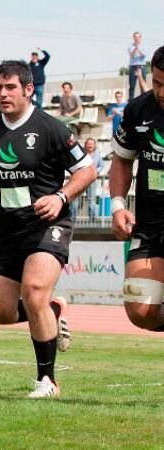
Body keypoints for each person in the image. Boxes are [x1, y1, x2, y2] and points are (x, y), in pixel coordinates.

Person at [0, 60, 97, 398]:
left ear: (28, 89)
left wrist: (61, 196)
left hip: (47, 225)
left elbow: (87, 170)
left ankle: (47, 381)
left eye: (9, 87)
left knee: (34, 291)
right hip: (6, 229)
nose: (2, 94)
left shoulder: (51, 128)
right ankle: (53, 311)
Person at [108, 45, 164, 334]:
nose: (162, 91)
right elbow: (120, 161)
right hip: (150, 224)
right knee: (140, 309)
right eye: (157, 83)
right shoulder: (138, 109)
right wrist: (117, 206)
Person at [69, 138, 104, 221]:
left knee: (91, 200)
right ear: (85, 145)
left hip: (91, 180)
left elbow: (101, 166)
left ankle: (93, 220)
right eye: (88, 144)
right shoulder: (80, 153)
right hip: (79, 180)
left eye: (92, 144)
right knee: (75, 200)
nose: (90, 145)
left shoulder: (97, 155)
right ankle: (72, 219)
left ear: (95, 145)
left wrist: (95, 172)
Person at [128, 32, 147, 99]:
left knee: (142, 84)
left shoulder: (144, 46)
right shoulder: (131, 46)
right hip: (133, 67)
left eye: (137, 36)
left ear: (140, 38)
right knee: (132, 86)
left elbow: (143, 56)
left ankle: (143, 99)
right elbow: (131, 55)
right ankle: (131, 100)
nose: (136, 38)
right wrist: (135, 48)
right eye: (135, 37)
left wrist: (138, 48)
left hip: (141, 67)